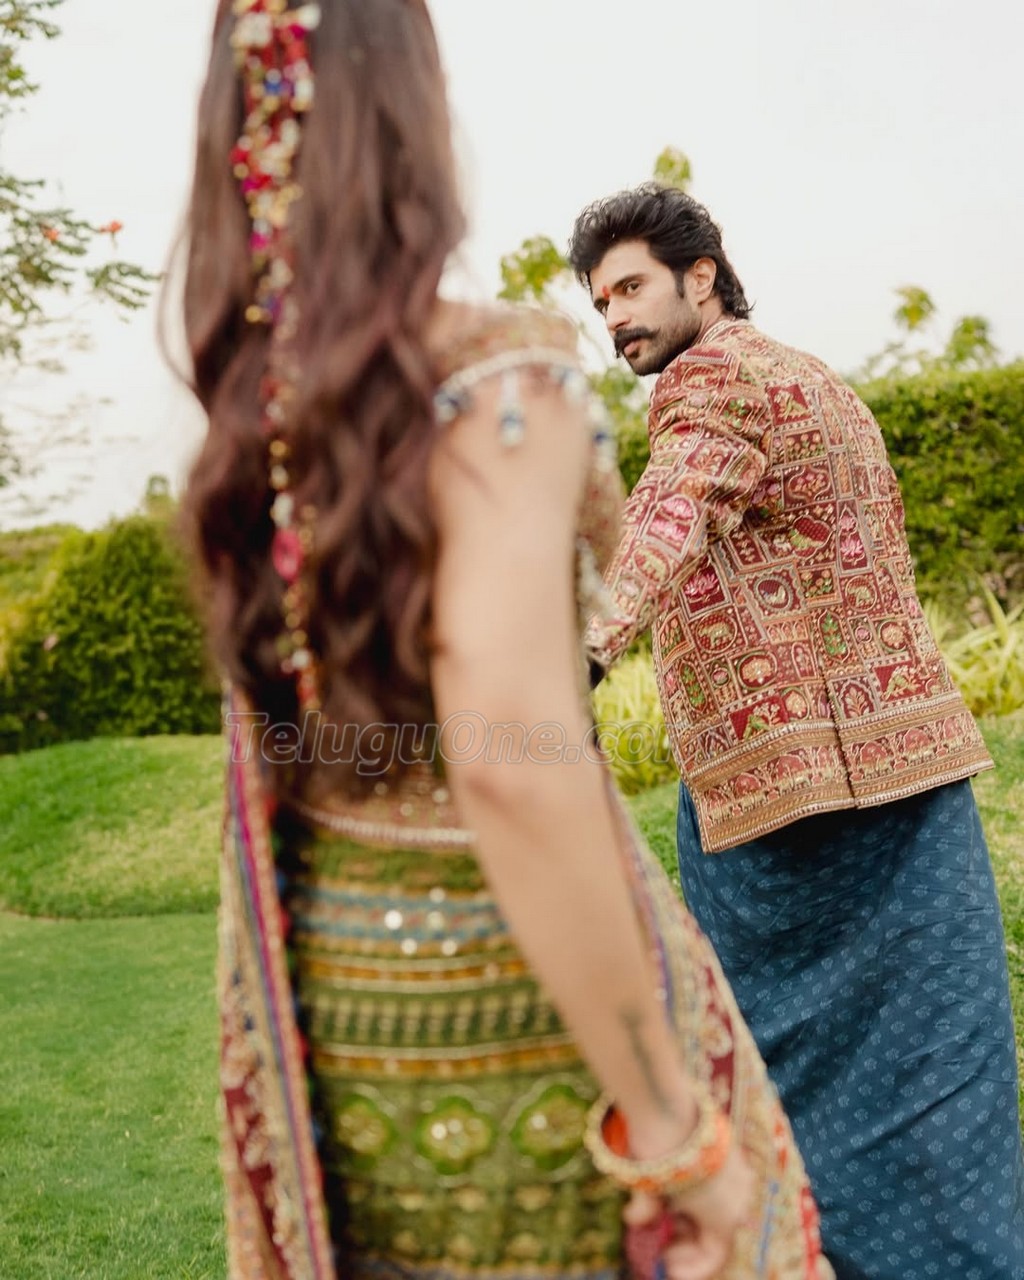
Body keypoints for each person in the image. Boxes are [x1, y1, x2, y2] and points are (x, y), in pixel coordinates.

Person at [172, 5, 836, 1280]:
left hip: (339, 1030)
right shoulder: (495, 375)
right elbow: (511, 760)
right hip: (521, 994)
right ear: (411, 119)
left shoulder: (255, 418)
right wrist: (673, 1131)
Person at [567, 182, 1024, 1279]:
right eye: (601, 302)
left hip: (789, 815)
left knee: (766, 1077)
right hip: (914, 775)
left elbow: (669, 512)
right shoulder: (818, 380)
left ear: (702, 277)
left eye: (629, 288)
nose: (615, 317)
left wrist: (572, 652)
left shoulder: (710, 380)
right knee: (941, 1075)